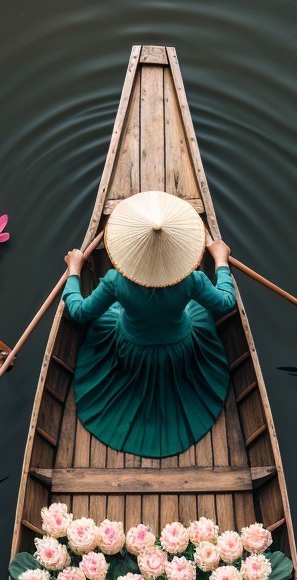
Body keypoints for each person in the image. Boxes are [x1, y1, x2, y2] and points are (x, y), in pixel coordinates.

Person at [61, 188, 238, 459]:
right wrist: (221, 261)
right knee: (199, 311)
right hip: (180, 347)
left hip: (130, 347)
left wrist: (74, 271)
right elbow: (226, 302)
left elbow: (80, 312)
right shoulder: (192, 280)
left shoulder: (115, 281)